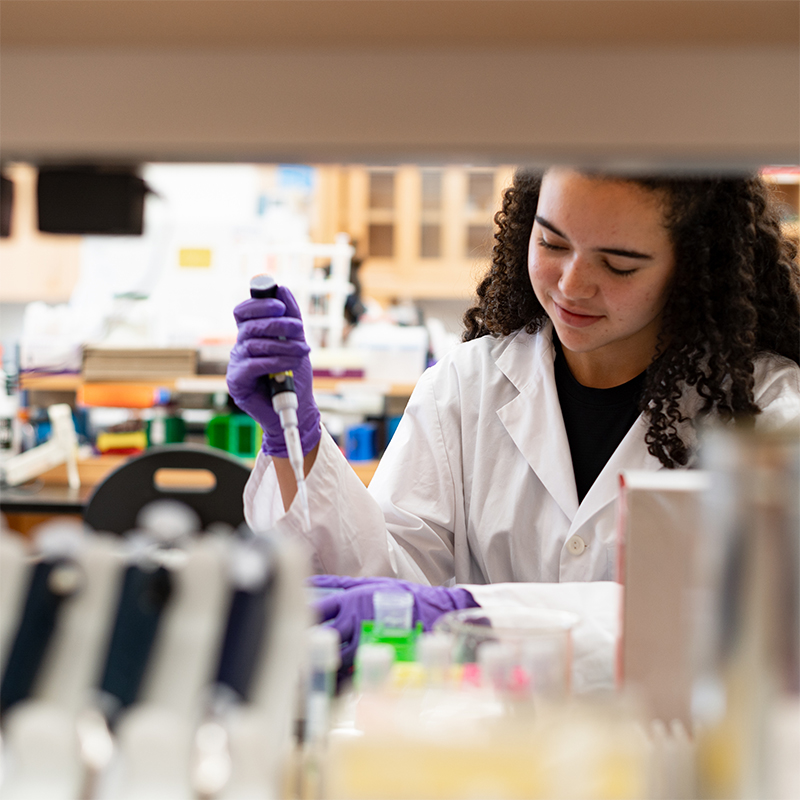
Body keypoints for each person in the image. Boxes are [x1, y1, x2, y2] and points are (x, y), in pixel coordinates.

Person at [228, 167, 800, 682]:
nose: (572, 285)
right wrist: (296, 443)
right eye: (552, 242)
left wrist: (477, 617)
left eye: (618, 263)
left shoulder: (768, 411)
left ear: (694, 266)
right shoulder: (464, 386)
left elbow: (747, 622)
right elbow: (384, 587)